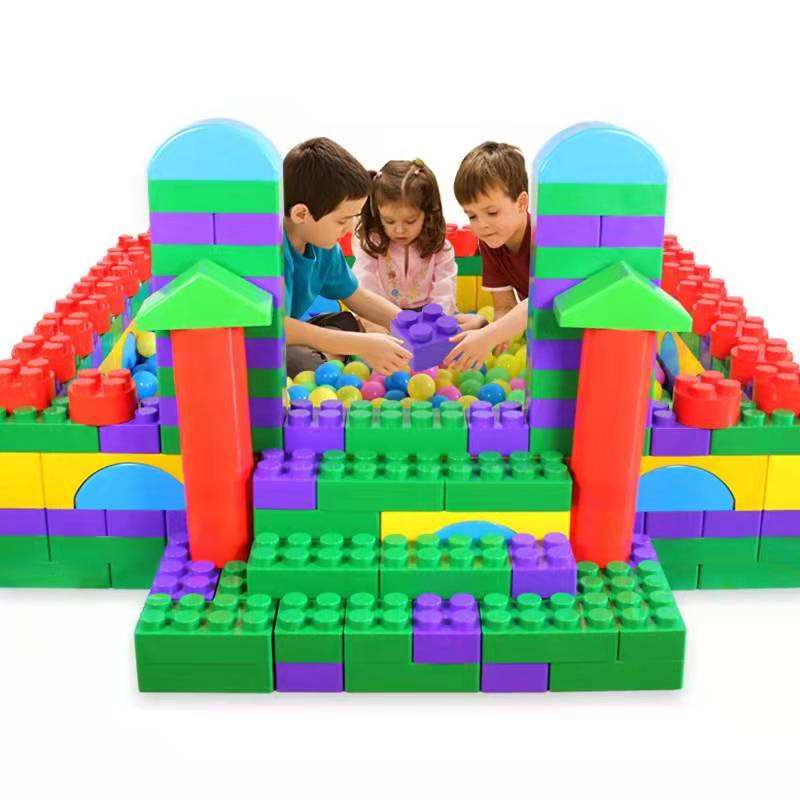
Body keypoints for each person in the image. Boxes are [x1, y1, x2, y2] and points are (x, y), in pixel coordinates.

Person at [282, 138, 411, 377]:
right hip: (268, 339)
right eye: (342, 220)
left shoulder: (324, 247)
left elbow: (356, 296)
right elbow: (276, 327)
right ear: (301, 214)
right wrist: (359, 345)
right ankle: (329, 359)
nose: (349, 228)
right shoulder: (273, 252)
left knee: (346, 322)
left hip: (296, 335)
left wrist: (410, 325)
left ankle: (330, 358)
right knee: (296, 360)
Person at [444, 141, 532, 370]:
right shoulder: (491, 242)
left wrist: (489, 335)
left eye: (492, 212)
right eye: (472, 216)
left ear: (521, 203)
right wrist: (491, 334)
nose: (481, 225)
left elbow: (539, 302)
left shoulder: (542, 239)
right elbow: (504, 306)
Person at [352, 159, 457, 328]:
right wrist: (373, 321)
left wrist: (435, 322)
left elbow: (445, 291)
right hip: (385, 311)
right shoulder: (373, 244)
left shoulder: (440, 248)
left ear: (427, 214)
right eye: (389, 221)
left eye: (410, 221)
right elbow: (364, 283)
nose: (399, 230)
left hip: (428, 313)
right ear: (377, 213)